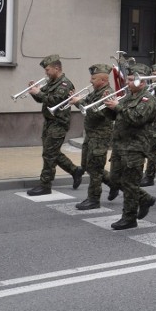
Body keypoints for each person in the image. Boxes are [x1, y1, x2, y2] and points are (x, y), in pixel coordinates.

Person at [104, 64, 156, 230]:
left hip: (135, 147)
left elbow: (137, 118)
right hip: (120, 145)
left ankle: (129, 217)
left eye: (131, 80)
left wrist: (118, 107)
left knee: (130, 183)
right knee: (115, 179)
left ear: (141, 82)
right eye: (127, 79)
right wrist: (109, 106)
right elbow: (116, 116)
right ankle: (145, 198)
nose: (127, 83)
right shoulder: (128, 97)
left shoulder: (147, 99)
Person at [26, 54, 84, 196]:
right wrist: (34, 91)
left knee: (49, 154)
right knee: (51, 152)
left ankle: (45, 185)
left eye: (47, 70)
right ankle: (75, 170)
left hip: (58, 123)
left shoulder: (65, 84)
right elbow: (42, 100)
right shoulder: (52, 82)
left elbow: (54, 101)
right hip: (49, 121)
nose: (46, 73)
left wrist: (39, 93)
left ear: (57, 68)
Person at [71, 63, 116, 209]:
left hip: (100, 136)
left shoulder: (107, 93)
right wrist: (77, 101)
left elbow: (98, 113)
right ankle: (113, 184)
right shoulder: (96, 91)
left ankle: (93, 200)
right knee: (86, 166)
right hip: (90, 135)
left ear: (103, 80)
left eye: (94, 78)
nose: (91, 81)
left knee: (95, 169)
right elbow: (86, 103)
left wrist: (79, 103)